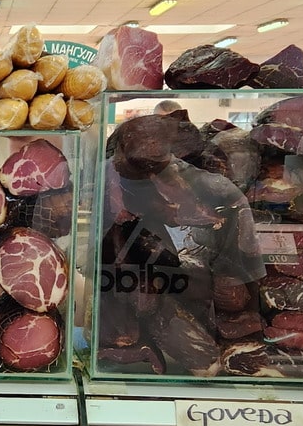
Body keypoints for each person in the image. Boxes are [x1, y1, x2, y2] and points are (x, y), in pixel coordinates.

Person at [98, 112, 265, 374]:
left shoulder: (219, 194)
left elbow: (242, 286)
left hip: (210, 328)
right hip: (152, 327)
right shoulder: (116, 195)